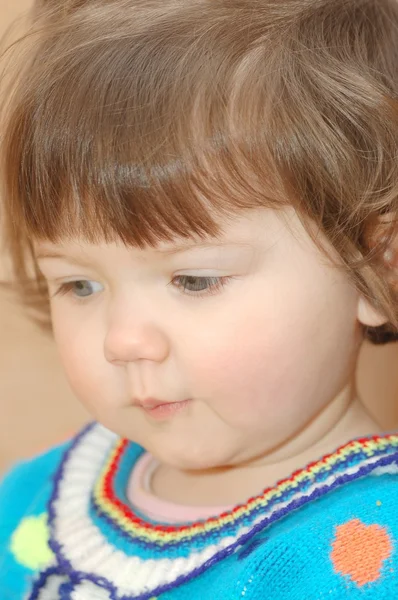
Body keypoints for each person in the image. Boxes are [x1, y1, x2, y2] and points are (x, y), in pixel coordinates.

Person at [1, 0, 398, 597]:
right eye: (80, 284)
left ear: (375, 265)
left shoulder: (368, 557)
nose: (122, 340)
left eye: (194, 280)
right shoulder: (36, 493)